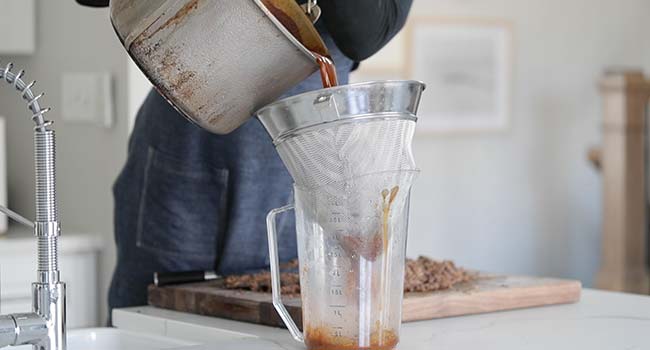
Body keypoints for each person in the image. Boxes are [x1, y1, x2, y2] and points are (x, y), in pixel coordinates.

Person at [76, 0, 414, 319]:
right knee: (152, 323)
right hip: (187, 147)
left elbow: (366, 33)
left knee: (284, 323)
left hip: (303, 164)